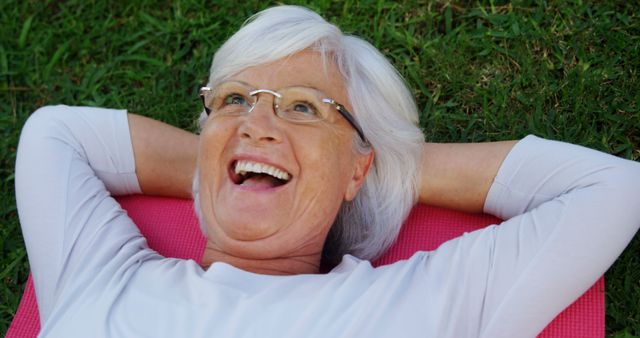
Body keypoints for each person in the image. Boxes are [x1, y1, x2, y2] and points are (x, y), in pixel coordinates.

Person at [14, 5, 640, 338]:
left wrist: (372, 169)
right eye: (234, 99)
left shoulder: (422, 304)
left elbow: (612, 189)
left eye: (305, 107)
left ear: (358, 166)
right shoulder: (98, 274)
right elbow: (54, 134)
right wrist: (227, 158)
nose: (256, 123)